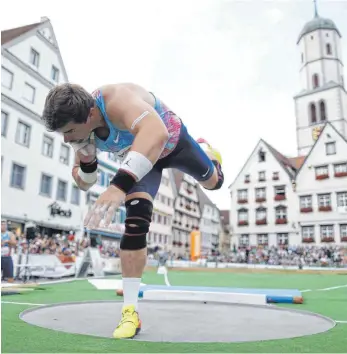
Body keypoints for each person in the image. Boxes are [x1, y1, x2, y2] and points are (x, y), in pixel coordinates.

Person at [41, 82, 224, 339]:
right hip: (142, 161)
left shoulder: (115, 100)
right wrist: (85, 162)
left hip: (173, 143)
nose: (67, 138)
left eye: (70, 131)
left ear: (91, 114)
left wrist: (117, 186)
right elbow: (85, 183)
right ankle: (130, 312)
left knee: (214, 182)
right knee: (136, 221)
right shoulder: (81, 133)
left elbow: (155, 132)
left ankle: (208, 153)